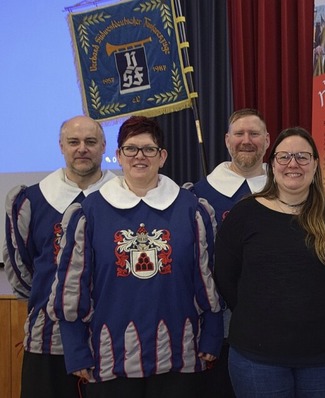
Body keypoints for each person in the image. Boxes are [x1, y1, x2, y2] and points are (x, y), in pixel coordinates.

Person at [47, 116, 223, 397]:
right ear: (117, 156)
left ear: (162, 156)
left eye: (149, 149)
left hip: (180, 356)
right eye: (130, 149)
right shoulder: (88, 212)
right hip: (110, 355)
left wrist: (212, 335)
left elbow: (209, 278)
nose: (139, 156)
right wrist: (76, 348)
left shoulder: (193, 210)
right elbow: (72, 286)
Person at [214, 127, 325, 397]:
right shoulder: (244, 215)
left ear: (316, 164)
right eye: (284, 157)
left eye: (303, 157)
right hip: (257, 359)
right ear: (272, 165)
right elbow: (226, 278)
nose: (293, 164)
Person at [2, 115, 116, 398]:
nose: (82, 149)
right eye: (73, 142)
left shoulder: (122, 198)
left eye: (90, 142)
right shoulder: (31, 200)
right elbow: (20, 267)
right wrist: (52, 299)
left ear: (103, 147)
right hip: (48, 340)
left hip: (111, 340)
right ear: (61, 146)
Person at [187, 108, 270, 397]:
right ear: (226, 140)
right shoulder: (197, 195)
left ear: (267, 140)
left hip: (276, 321)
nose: (246, 140)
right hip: (219, 322)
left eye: (254, 133)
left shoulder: (287, 189)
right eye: (239, 133)